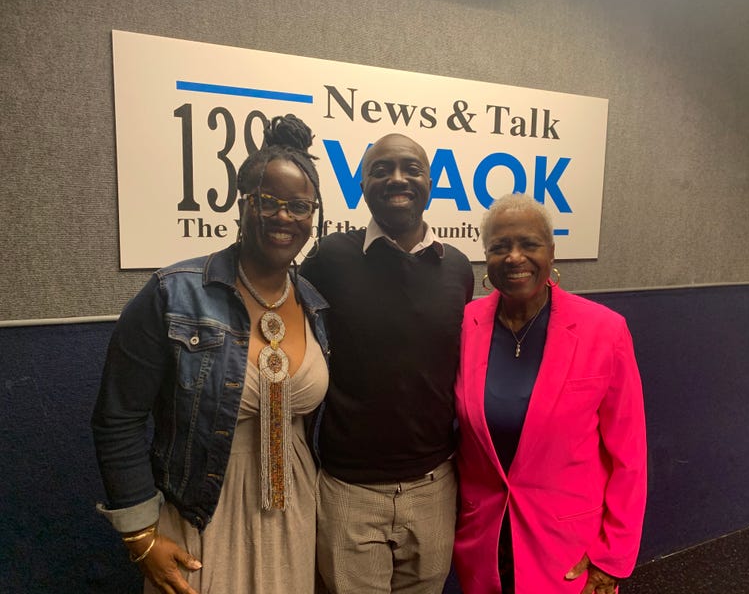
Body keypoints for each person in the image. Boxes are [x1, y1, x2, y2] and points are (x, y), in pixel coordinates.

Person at [92, 114, 329, 594]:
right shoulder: (173, 293)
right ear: (242, 204)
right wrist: (140, 534)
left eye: (299, 206)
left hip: (296, 512)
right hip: (201, 513)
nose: (284, 217)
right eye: (268, 201)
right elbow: (117, 418)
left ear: (313, 216)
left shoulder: (315, 305)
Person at [299, 133, 474, 593]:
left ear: (430, 183)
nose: (398, 179)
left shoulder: (458, 268)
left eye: (411, 169)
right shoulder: (328, 259)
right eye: (382, 170)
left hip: (434, 487)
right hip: (349, 491)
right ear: (362, 186)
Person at [453, 194, 647, 594]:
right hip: (483, 543)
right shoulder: (465, 324)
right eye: (500, 246)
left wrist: (611, 557)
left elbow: (629, 457)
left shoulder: (605, 331)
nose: (514, 257)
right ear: (486, 258)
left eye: (529, 244)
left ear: (552, 252)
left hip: (569, 551)